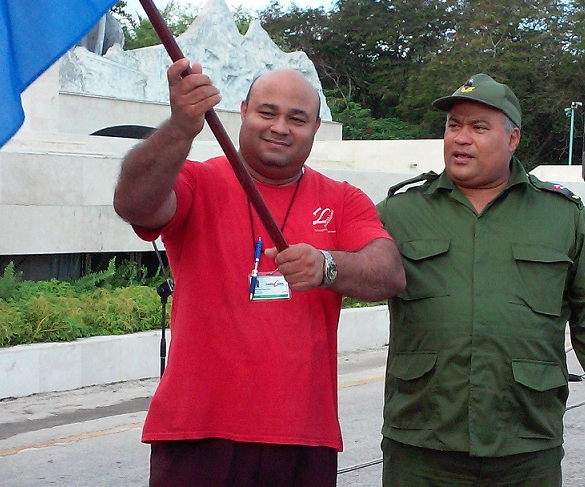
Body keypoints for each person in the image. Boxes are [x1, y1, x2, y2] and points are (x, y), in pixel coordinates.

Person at [113, 59, 405, 487]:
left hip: (303, 437)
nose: (280, 127)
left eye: (297, 118)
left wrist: (328, 265)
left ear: (316, 128)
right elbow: (134, 204)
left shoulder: (342, 199)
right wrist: (180, 128)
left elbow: (389, 273)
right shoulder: (198, 179)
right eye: (267, 113)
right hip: (197, 432)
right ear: (244, 110)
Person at [377, 73, 585, 486]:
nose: (461, 138)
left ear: (512, 139)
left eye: (478, 127)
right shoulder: (399, 214)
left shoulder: (560, 215)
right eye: (454, 126)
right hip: (422, 437)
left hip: (524, 439)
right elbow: (341, 276)